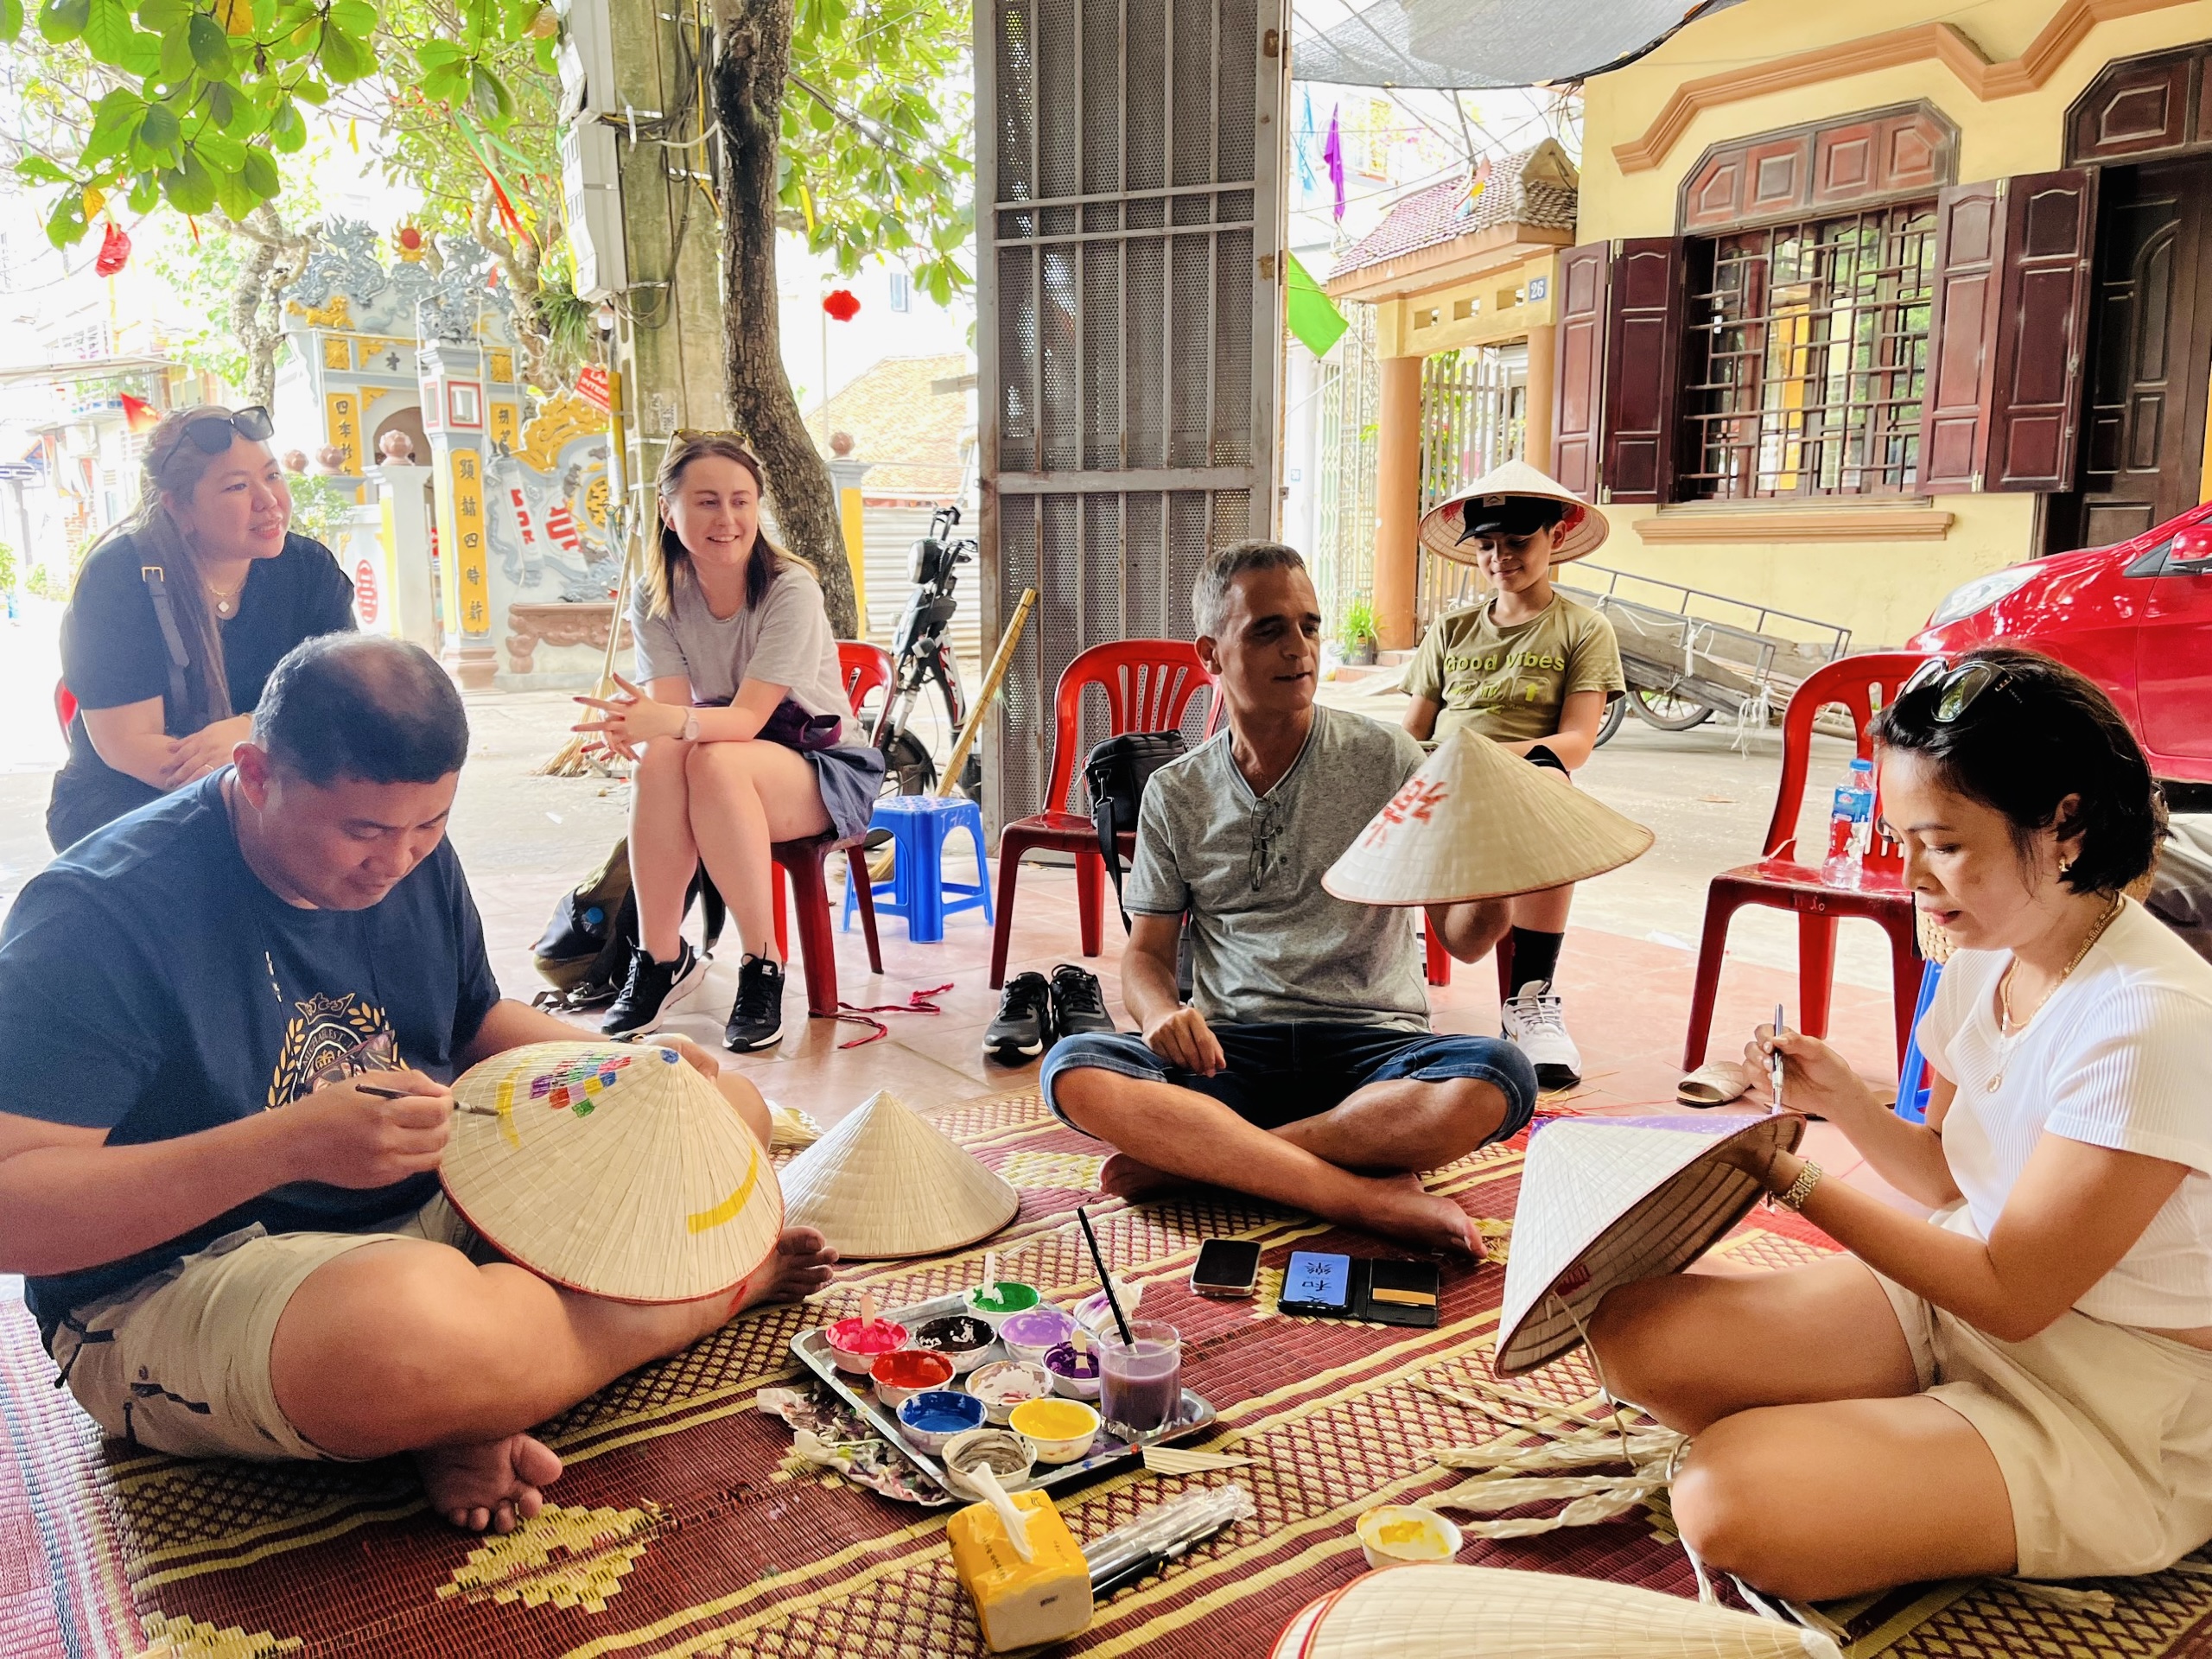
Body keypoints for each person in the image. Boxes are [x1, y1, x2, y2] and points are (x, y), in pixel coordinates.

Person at [0, 635, 837, 1534]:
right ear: (254, 772)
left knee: (723, 1112)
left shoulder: (408, 846)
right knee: (410, 1334)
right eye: (361, 831)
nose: (394, 860)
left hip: (434, 1195)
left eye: (428, 825)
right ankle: (701, 1299)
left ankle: (484, 1395)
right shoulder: (97, 915)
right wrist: (288, 1143)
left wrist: (626, 1068)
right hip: (187, 1276)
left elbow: (474, 1021)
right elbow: (18, 1216)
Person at [1586, 647, 2212, 1599]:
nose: (1910, 872)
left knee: (1731, 1498)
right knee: (1634, 1332)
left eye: (1945, 842)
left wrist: (1785, 1175)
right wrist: (1838, 1101)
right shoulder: (1986, 945)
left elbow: (2011, 1295)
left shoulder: (2152, 1019)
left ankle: (1933, 1457)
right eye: (1899, 834)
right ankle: (1916, 1444)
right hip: (1969, 1299)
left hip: (2115, 1397)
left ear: (2066, 824)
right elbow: (1944, 1180)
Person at [1042, 541, 1538, 1255]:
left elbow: (1465, 938)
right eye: (1268, 630)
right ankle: (1361, 1193)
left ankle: (1211, 1164)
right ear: (1210, 655)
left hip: (1375, 1055)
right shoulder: (1175, 791)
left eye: (1309, 626)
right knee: (1074, 1069)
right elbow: (1146, 955)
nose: (1299, 649)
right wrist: (1158, 1016)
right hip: (1230, 1054)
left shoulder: (1387, 759)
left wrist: (1495, 859)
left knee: (1499, 1075)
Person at [574, 434, 885, 1052]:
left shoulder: (790, 586)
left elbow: (742, 719)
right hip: (727, 752)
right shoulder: (655, 594)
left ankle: (762, 962)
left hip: (818, 762)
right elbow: (671, 710)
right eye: (708, 501)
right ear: (669, 510)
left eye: (742, 501)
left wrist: (662, 722)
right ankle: (661, 959)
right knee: (665, 759)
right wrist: (637, 725)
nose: (728, 519)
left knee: (710, 759)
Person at [1402, 461, 1624, 1090]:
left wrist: (1498, 762)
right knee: (1465, 937)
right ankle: (1378, 987)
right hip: (1444, 785)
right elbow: (1413, 732)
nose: (1501, 557)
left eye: (1518, 541)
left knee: (1554, 788)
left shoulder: (1584, 628)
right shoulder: (1450, 631)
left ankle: (1531, 998)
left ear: (1558, 533)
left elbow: (1577, 741)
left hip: (1525, 784)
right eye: (1488, 544)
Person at [49, 404, 357, 851]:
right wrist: (253, 799)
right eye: (237, 486)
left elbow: (342, 697)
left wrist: (252, 732)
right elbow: (133, 747)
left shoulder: (307, 568)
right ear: (179, 507)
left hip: (271, 780)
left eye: (272, 476)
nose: (269, 501)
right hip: (127, 800)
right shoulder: (120, 575)